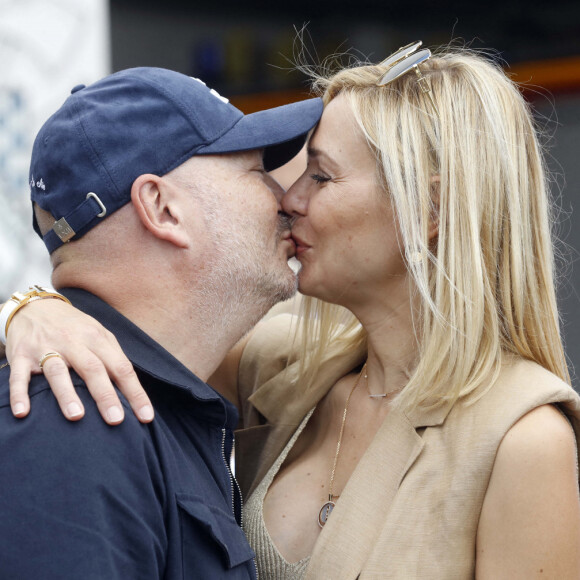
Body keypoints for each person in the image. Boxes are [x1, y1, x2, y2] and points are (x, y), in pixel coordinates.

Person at [4, 43, 580, 578]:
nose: (290, 199)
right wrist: (30, 308)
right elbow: (138, 323)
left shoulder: (522, 439)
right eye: (274, 172)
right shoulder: (281, 372)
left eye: (322, 175)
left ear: (429, 209)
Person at [0, 66, 323, 579]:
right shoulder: (76, 424)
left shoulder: (142, 408)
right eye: (256, 172)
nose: (287, 200)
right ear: (162, 207)